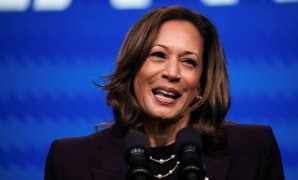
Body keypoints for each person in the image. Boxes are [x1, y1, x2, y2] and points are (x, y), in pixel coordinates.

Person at [44, 6, 284, 180]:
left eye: (189, 62)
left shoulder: (253, 150)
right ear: (134, 68)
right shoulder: (70, 160)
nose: (172, 72)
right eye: (158, 55)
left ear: (201, 83)